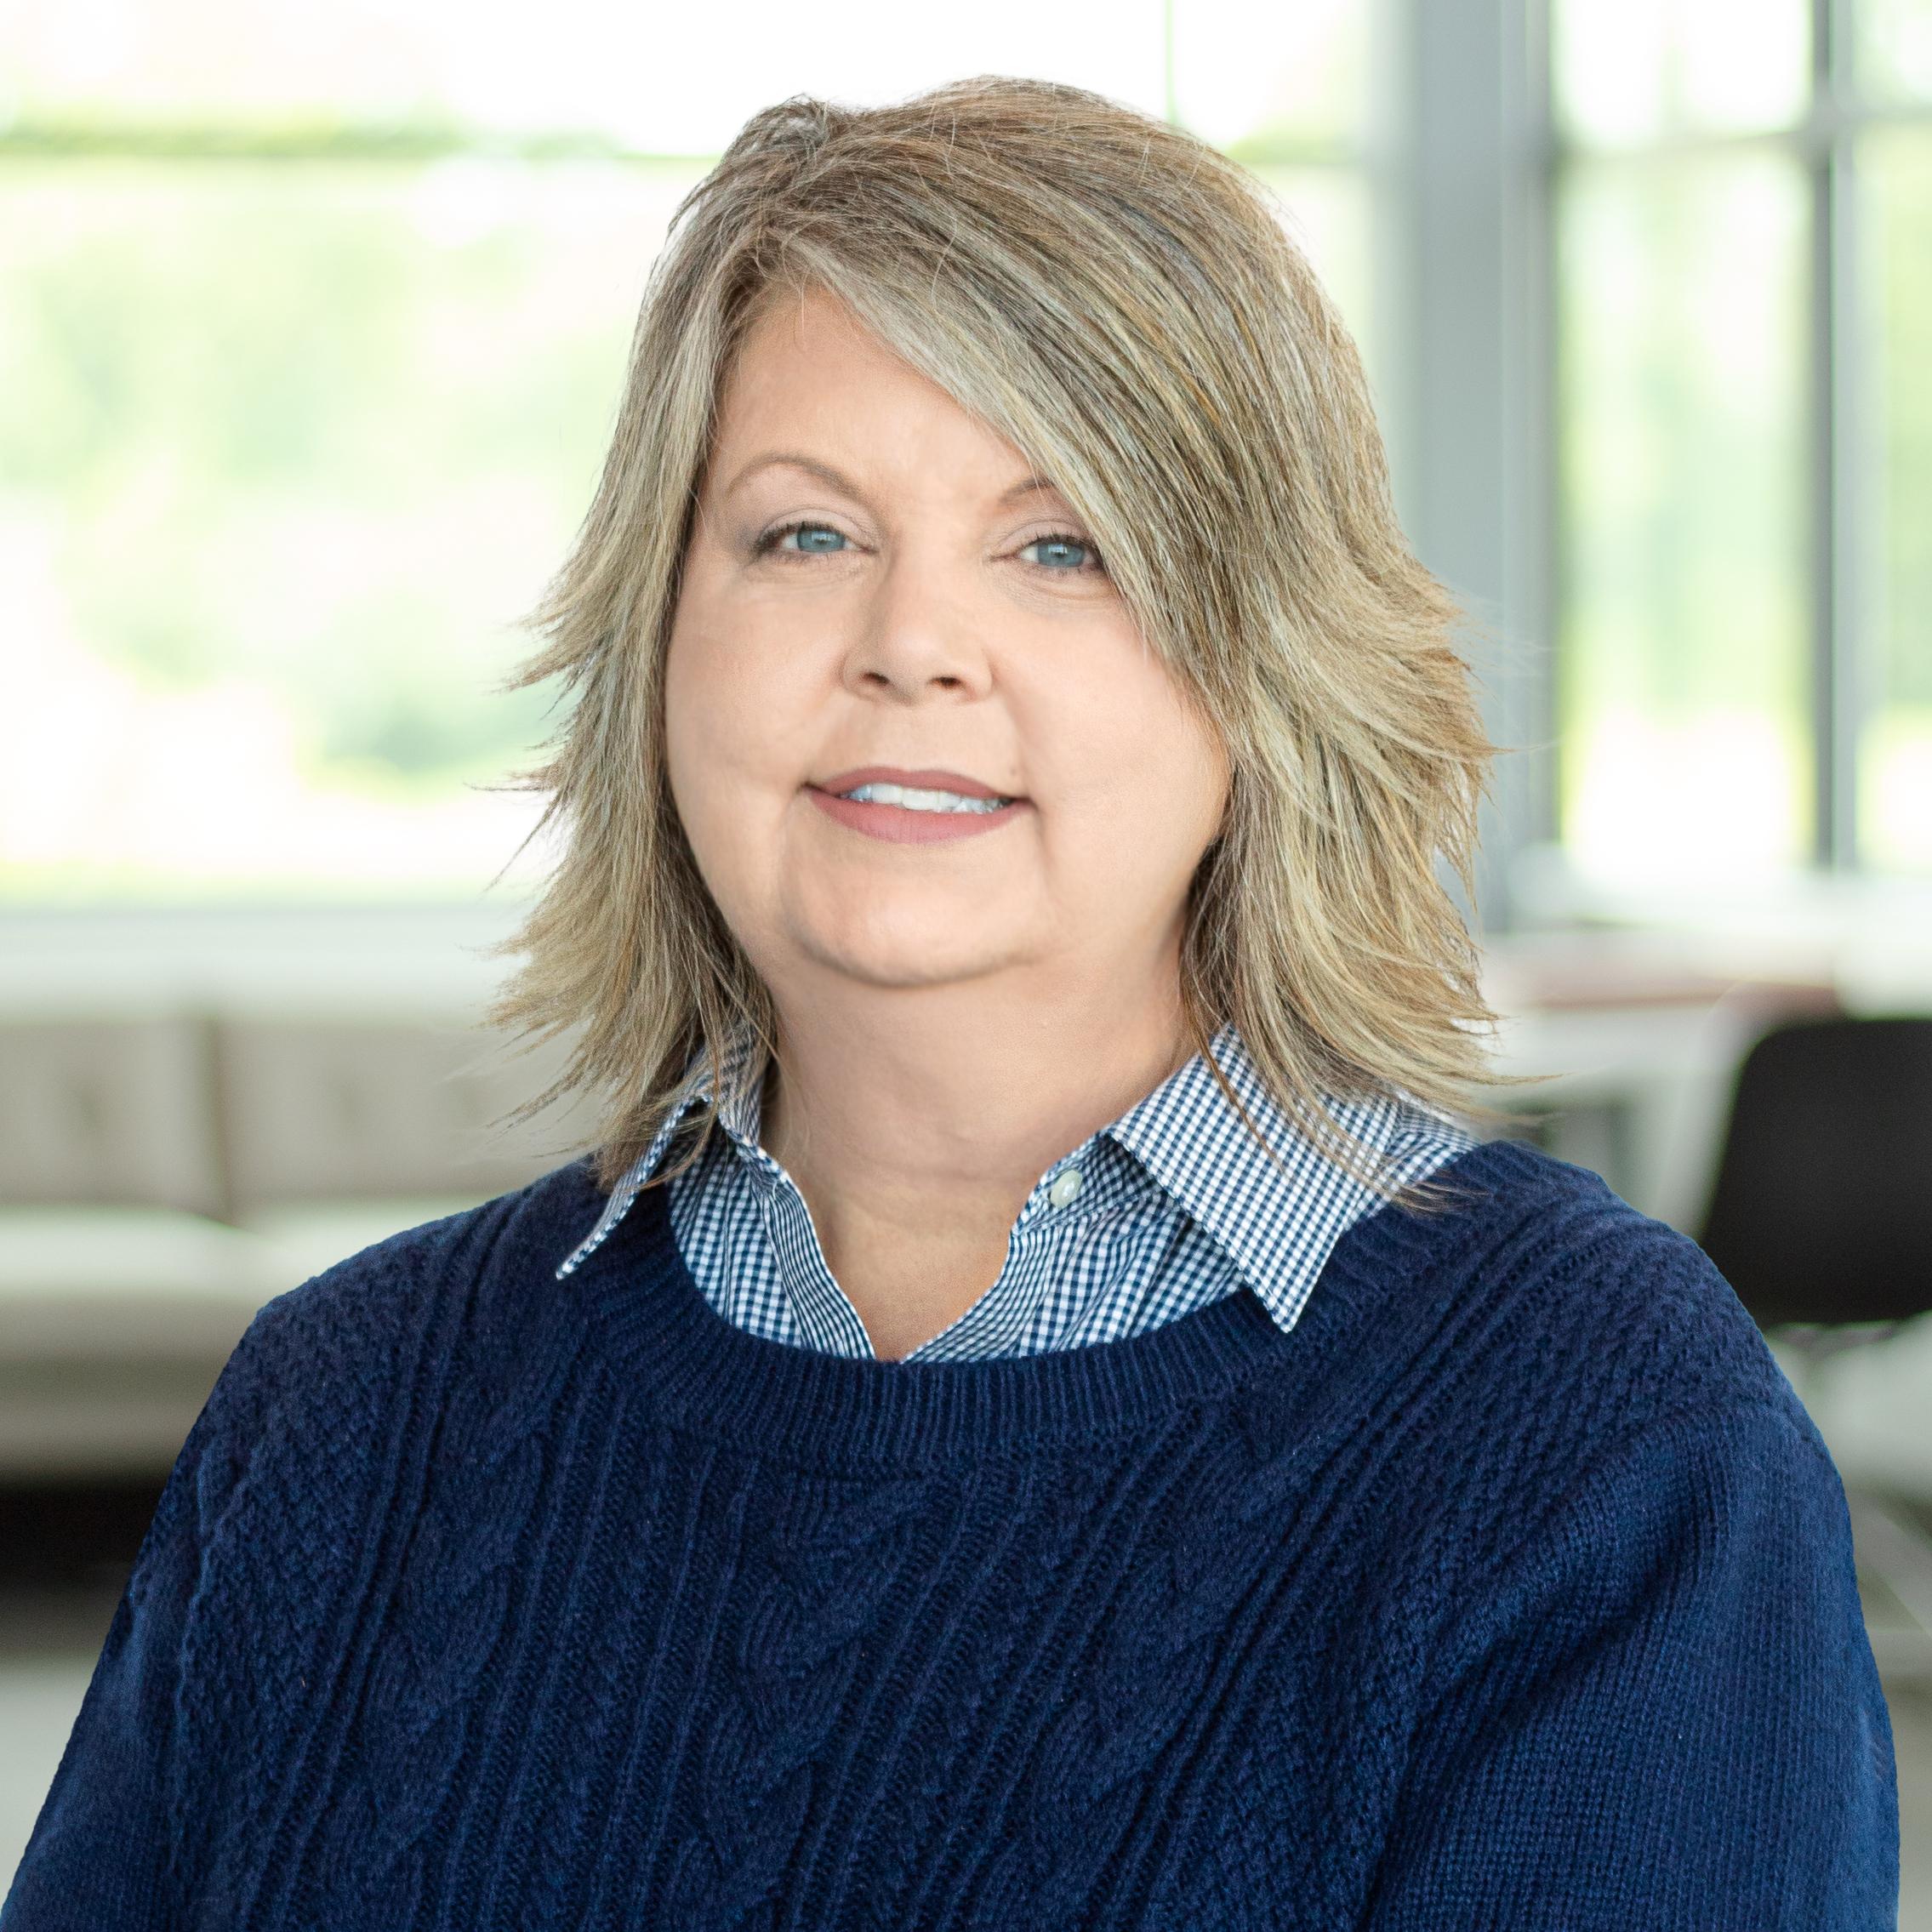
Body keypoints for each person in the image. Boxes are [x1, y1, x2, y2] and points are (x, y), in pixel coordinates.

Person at [3, 75, 1897, 1931]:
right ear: (656, 642)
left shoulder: (1597, 1440)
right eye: (801, 534)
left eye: (1060, 545)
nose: (911, 644)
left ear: (1264, 662)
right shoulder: (343, 1409)